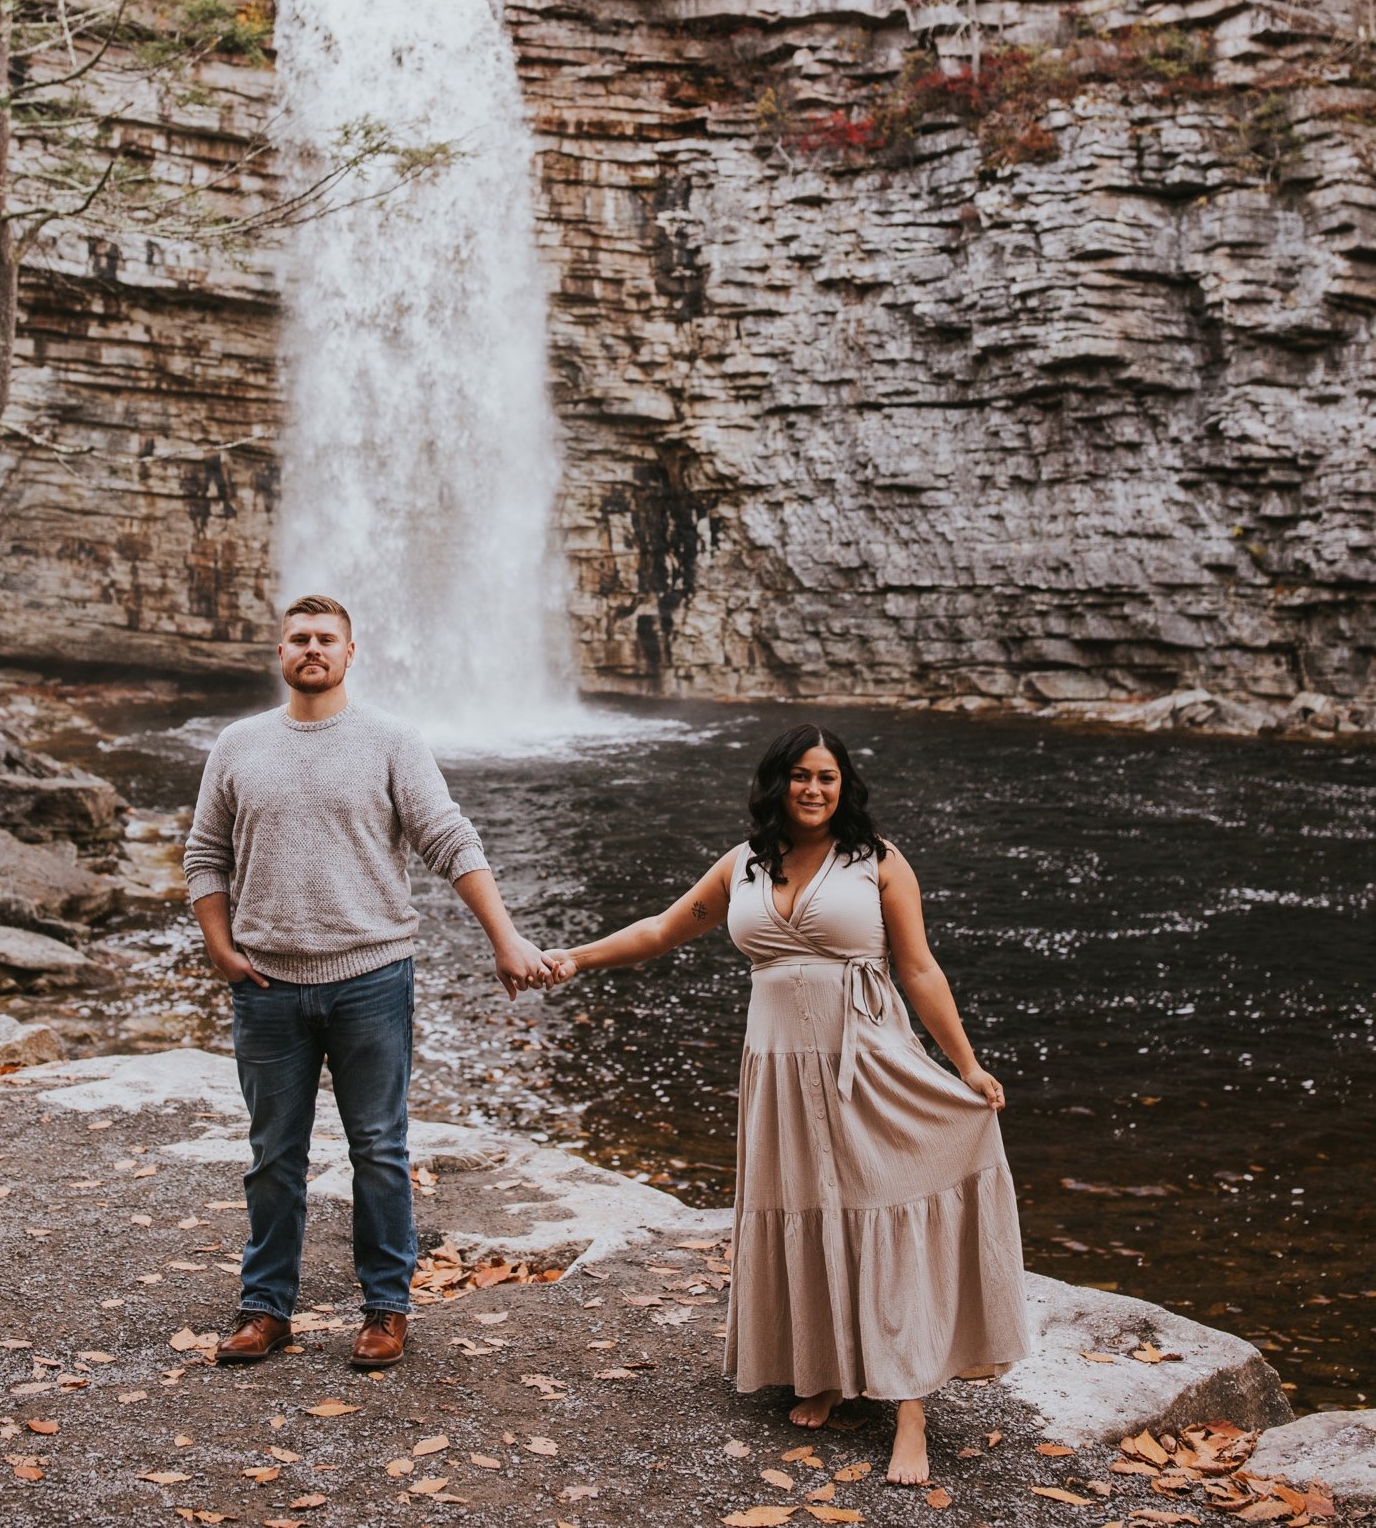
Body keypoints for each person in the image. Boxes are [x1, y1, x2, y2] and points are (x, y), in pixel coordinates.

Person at [542, 723, 1031, 1485]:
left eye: (828, 777)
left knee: (880, 1207)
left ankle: (908, 1406)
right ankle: (829, 1367)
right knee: (808, 1208)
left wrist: (964, 1063)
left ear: (845, 786)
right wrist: (575, 957)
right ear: (779, 783)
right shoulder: (743, 864)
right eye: (801, 775)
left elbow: (921, 968)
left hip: (866, 1061)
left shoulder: (879, 861)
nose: (813, 789)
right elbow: (663, 929)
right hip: (777, 1073)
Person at [183, 592, 551, 1372]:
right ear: (279, 653)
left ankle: (386, 1308)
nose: (311, 648)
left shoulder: (391, 739)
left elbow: (449, 836)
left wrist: (506, 936)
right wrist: (219, 947)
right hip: (268, 983)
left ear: (352, 653)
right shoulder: (239, 744)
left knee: (379, 1148)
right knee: (272, 1153)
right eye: (298, 638)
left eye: (325, 638)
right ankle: (265, 1309)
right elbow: (204, 854)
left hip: (371, 979)